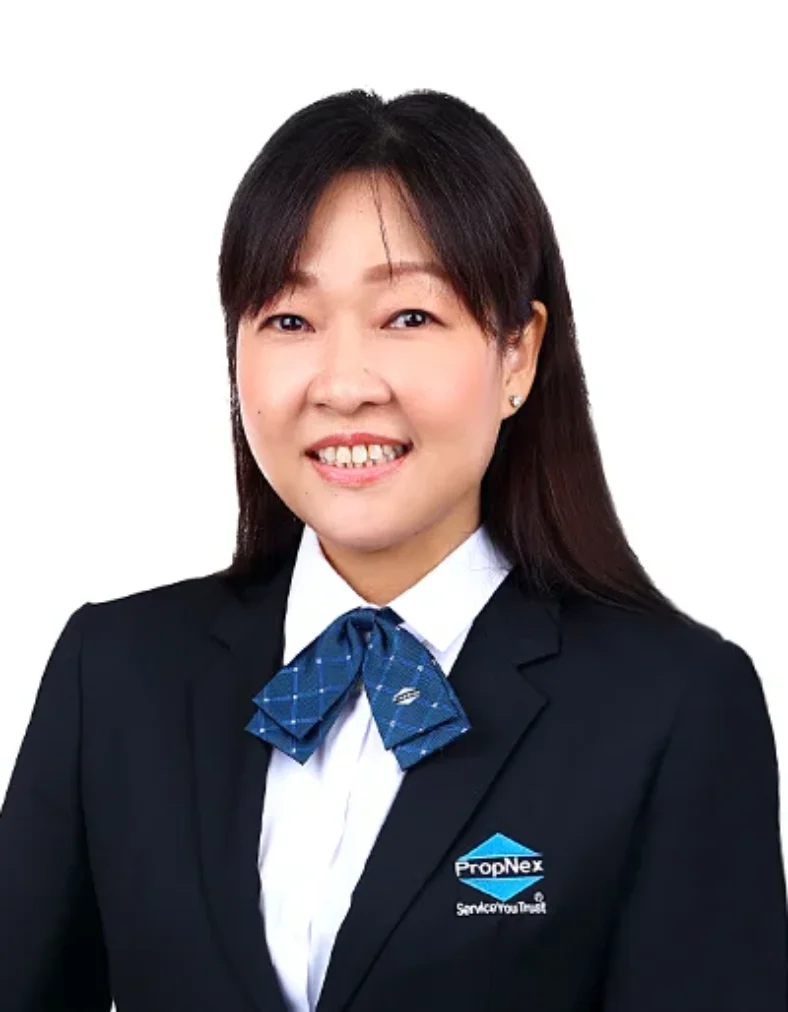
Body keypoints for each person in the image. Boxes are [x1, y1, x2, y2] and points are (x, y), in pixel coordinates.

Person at [1, 87, 785, 1012]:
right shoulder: (114, 675)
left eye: (408, 317)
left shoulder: (674, 709)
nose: (343, 385)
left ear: (518, 354)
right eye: (289, 319)